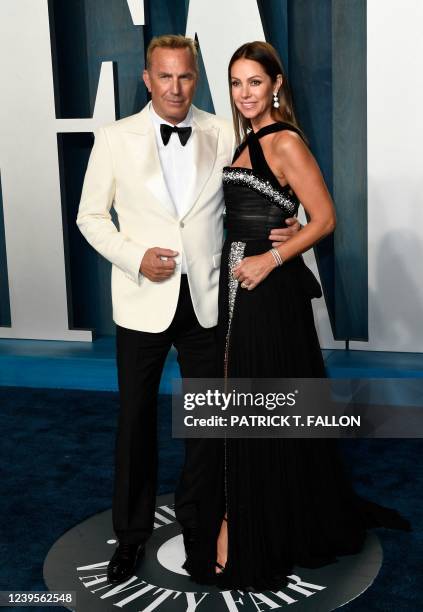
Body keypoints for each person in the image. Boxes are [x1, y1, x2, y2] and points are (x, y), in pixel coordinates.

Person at [183, 41, 410, 592]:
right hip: (240, 291)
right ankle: (261, 511)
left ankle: (245, 525)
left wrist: (272, 255)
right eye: (237, 84)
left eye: (255, 83)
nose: (245, 94)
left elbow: (325, 216)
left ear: (276, 84)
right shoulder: (246, 140)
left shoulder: (283, 141)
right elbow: (281, 215)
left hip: (266, 293)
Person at [76, 35, 299, 585]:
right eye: (165, 77)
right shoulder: (114, 138)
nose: (176, 88)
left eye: (186, 77)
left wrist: (290, 221)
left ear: (195, 79)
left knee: (208, 425)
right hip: (141, 302)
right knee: (134, 423)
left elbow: (263, 185)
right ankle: (130, 538)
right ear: (148, 79)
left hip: (207, 301)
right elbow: (90, 217)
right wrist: (134, 256)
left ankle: (203, 524)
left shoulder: (224, 132)